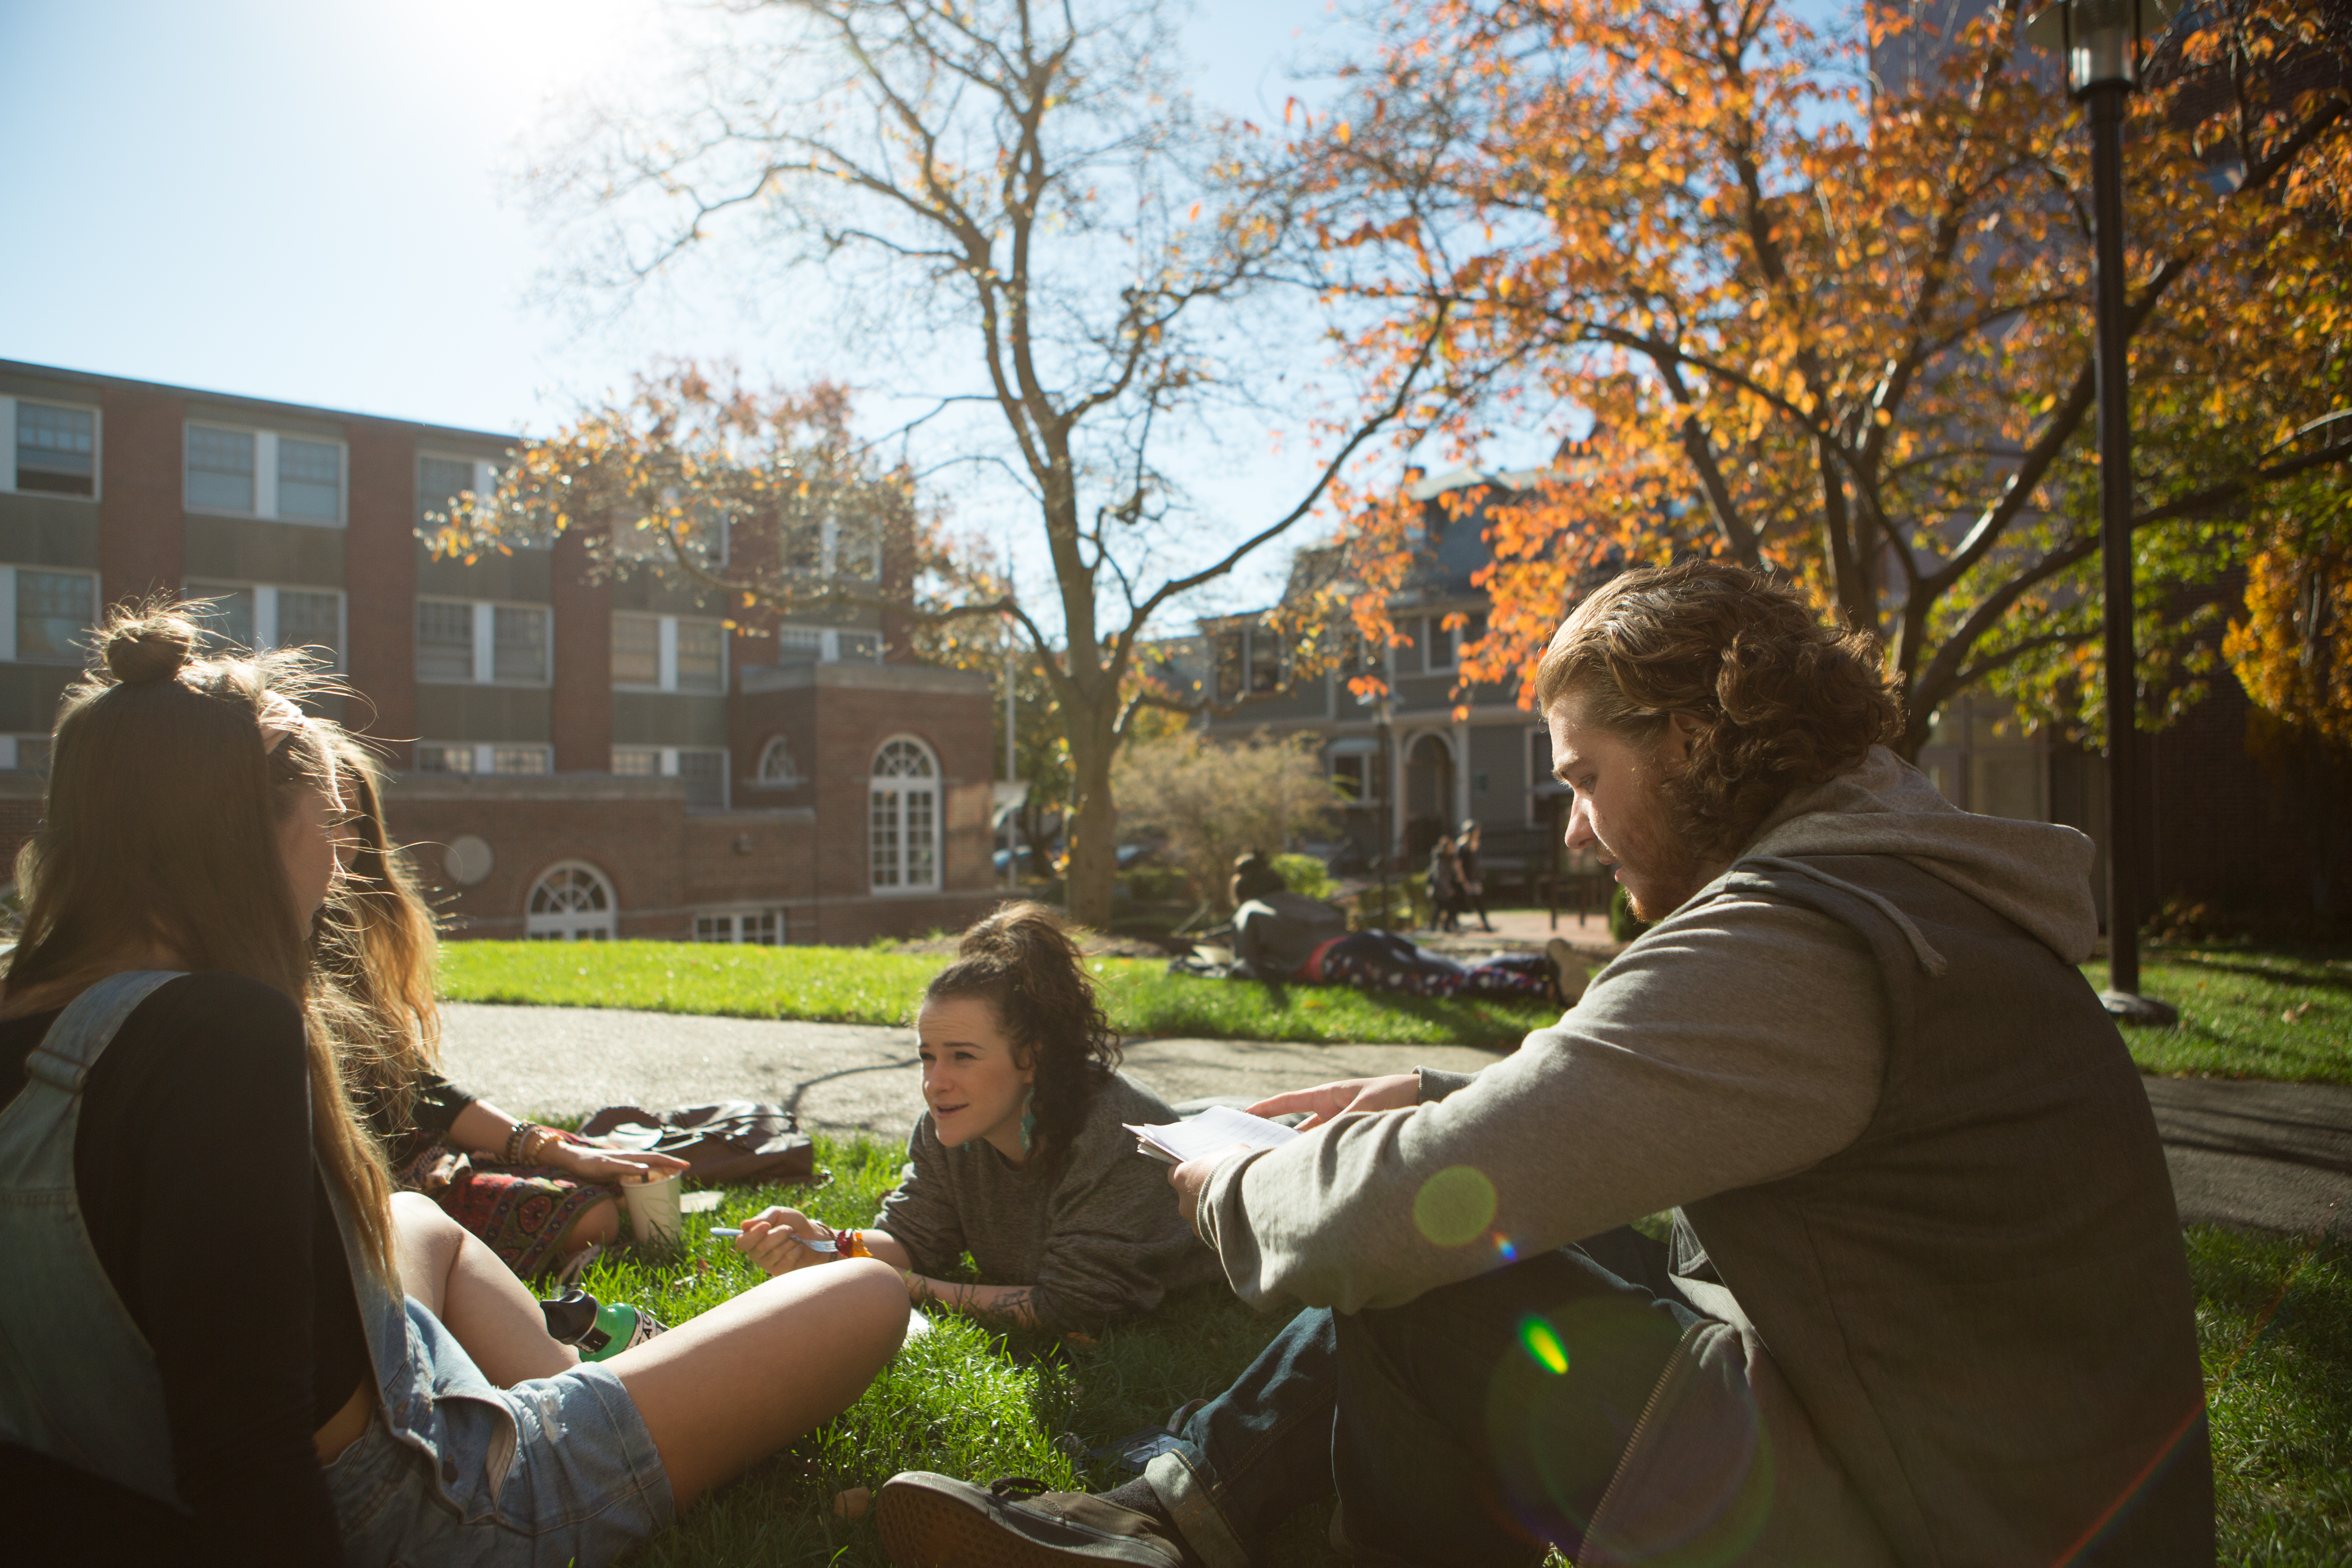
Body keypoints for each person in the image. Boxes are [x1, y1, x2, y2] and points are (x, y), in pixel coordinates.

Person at [870, 561, 2211, 1568]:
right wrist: (1437, 1100)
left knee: (1425, 1259)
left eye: (1581, 776)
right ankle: (1173, 1510)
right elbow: (1659, 1130)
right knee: (1465, 1214)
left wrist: (1230, 1174)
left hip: (1935, 1530)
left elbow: (1382, 1222)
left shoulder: (1800, 939)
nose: (1573, 833)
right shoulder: (1899, 895)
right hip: (1967, 1482)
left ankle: (1173, 1516)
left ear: (1691, 739)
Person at [0, 604, 909, 1568]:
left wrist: (545, 1146)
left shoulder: (37, 1004)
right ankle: (609, 1417)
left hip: (150, 1475)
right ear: (244, 833)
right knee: (864, 1294)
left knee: (414, 1221)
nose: (340, 862)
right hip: (428, 1511)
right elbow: (250, 1459)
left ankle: (587, 1381)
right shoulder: (215, 1033)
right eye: (333, 825)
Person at [734, 902, 1221, 1334]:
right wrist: (822, 1245)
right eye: (928, 1057)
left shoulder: (1115, 1135)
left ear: (1032, 1058)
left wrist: (905, 1286)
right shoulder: (949, 1129)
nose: (935, 1082)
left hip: (1245, 1155)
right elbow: (911, 1238)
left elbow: (1075, 1307)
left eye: (962, 1057)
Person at [321, 735, 688, 1281]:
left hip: (425, 1151)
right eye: (328, 820)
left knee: (615, 1176)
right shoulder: (271, 956)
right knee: (596, 1214)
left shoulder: (351, 927)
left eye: (353, 822)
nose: (344, 842)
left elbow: (418, 1090)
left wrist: (556, 1149)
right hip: (381, 1190)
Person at [1454, 819, 1495, 932]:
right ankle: (1453, 922)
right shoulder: (1462, 846)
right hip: (1465, 879)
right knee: (1461, 902)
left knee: (1478, 901)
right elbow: (1459, 865)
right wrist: (1463, 880)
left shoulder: (1476, 845)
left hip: (1474, 878)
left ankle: (1485, 923)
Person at [1423, 833, 1463, 931]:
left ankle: (1442, 926)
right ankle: (1439, 927)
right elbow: (1440, 877)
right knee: (1445, 907)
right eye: (1450, 847)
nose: (1452, 849)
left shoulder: (1451, 858)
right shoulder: (1440, 859)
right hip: (1441, 889)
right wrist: (1448, 889)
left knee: (1445, 908)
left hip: (1447, 887)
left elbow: (1454, 872)